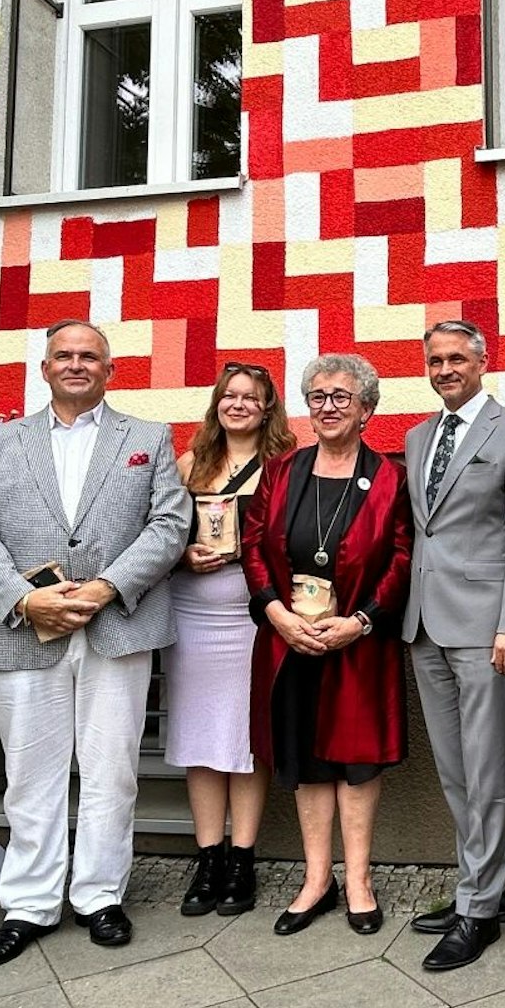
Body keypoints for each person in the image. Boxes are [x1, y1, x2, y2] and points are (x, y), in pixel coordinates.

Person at [0, 319, 188, 968]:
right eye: (65, 354)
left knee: (111, 767)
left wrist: (108, 587)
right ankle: (29, 903)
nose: (77, 363)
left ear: (110, 370)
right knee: (30, 774)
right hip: (25, 629)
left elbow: (170, 524)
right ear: (45, 367)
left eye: (91, 355)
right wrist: (24, 597)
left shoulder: (148, 437)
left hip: (117, 625)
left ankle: (98, 895)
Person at [242, 354, 413, 937]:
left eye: (342, 396)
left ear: (367, 408)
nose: (328, 407)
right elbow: (253, 545)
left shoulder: (391, 477)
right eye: (318, 397)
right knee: (307, 761)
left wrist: (361, 620)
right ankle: (317, 880)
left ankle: (359, 881)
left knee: (356, 762)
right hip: (289, 640)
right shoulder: (282, 470)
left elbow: (402, 557)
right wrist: (274, 612)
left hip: (358, 645)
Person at [402, 320, 505, 970]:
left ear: (483, 361)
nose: (445, 368)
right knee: (456, 770)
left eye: (457, 357)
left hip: (488, 629)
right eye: (435, 359)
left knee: (485, 770)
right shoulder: (416, 437)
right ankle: (483, 887)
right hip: (424, 624)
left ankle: (478, 910)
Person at [169, 363, 296, 917]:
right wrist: (182, 554)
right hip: (192, 613)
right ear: (216, 403)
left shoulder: (285, 467)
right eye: (230, 395)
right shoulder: (189, 463)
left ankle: (243, 858)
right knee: (200, 738)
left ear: (268, 408)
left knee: (245, 738)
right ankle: (208, 858)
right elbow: (158, 532)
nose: (239, 404)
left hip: (254, 616)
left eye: (251, 397)